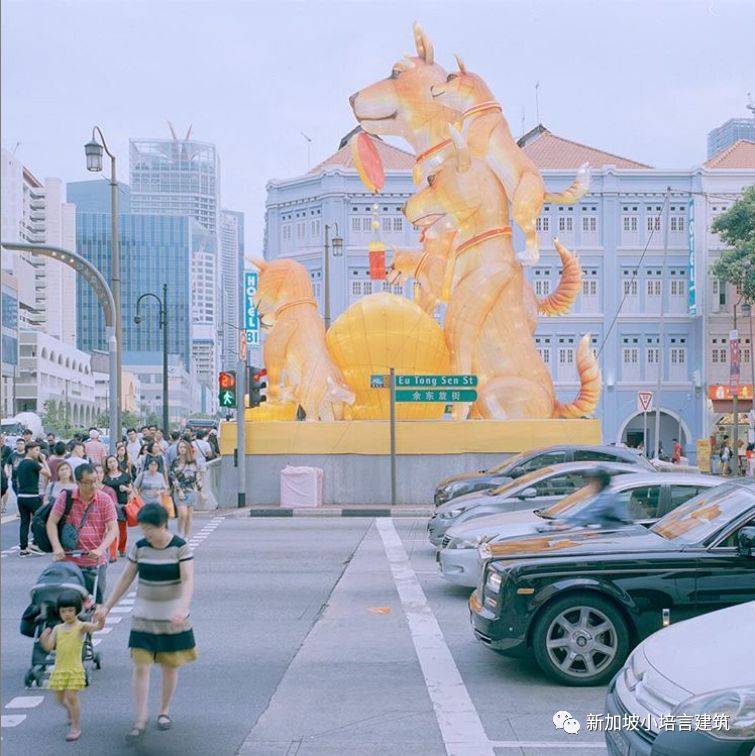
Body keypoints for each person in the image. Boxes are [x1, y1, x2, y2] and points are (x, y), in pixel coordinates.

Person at [95, 503, 196, 743]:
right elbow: (126, 578)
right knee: (141, 666)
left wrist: (182, 608)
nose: (145, 533)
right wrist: (107, 606)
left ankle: (164, 711)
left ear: (162, 525)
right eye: (143, 529)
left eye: (149, 529)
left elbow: (188, 580)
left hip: (171, 619)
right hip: (143, 618)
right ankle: (140, 719)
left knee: (170, 666)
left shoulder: (180, 547)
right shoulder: (140, 547)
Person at [46, 464, 118, 604]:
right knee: (68, 605)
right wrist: (57, 547)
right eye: (88, 482)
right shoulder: (66, 497)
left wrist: (100, 549)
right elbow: (52, 522)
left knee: (95, 603)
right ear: (78, 482)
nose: (93, 486)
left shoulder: (104, 499)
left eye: (95, 481)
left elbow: (113, 529)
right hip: (68, 560)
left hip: (95, 561)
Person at [39, 590, 103, 742]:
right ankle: (70, 711)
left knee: (71, 697)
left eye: (70, 610)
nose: (67, 614)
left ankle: (75, 727)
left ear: (76, 610)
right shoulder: (57, 629)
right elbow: (49, 647)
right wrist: (43, 638)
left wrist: (101, 619)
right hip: (60, 670)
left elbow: (97, 627)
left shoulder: (81, 626)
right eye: (63, 611)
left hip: (74, 669)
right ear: (59, 612)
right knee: (59, 699)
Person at [559, 468, 632, 530]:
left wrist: (569, 525)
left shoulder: (608, 496)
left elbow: (591, 513)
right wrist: (566, 521)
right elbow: (584, 511)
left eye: (591, 482)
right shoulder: (600, 494)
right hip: (608, 529)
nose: (589, 485)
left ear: (599, 482)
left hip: (619, 531)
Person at [16, 442, 51, 556]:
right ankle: (36, 544)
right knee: (39, 520)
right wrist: (44, 461)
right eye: (36, 450)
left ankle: (23, 549)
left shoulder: (21, 463)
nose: (38, 453)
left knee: (24, 522)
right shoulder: (33, 463)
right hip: (32, 497)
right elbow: (48, 474)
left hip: (21, 497)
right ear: (29, 450)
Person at [103, 454, 132, 559]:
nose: (112, 464)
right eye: (109, 462)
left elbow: (131, 490)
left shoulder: (125, 475)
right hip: (109, 506)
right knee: (111, 529)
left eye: (114, 461)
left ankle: (122, 548)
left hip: (122, 505)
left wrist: (126, 489)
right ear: (107, 465)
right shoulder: (104, 477)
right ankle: (112, 553)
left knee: (122, 529)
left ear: (117, 462)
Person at [170, 440, 199, 539]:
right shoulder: (175, 461)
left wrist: (201, 490)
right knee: (183, 514)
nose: (182, 449)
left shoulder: (193, 461)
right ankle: (179, 532)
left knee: (189, 516)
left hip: (191, 490)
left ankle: (186, 537)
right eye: (180, 447)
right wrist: (179, 490)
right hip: (179, 491)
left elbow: (197, 476)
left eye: (184, 447)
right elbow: (173, 476)